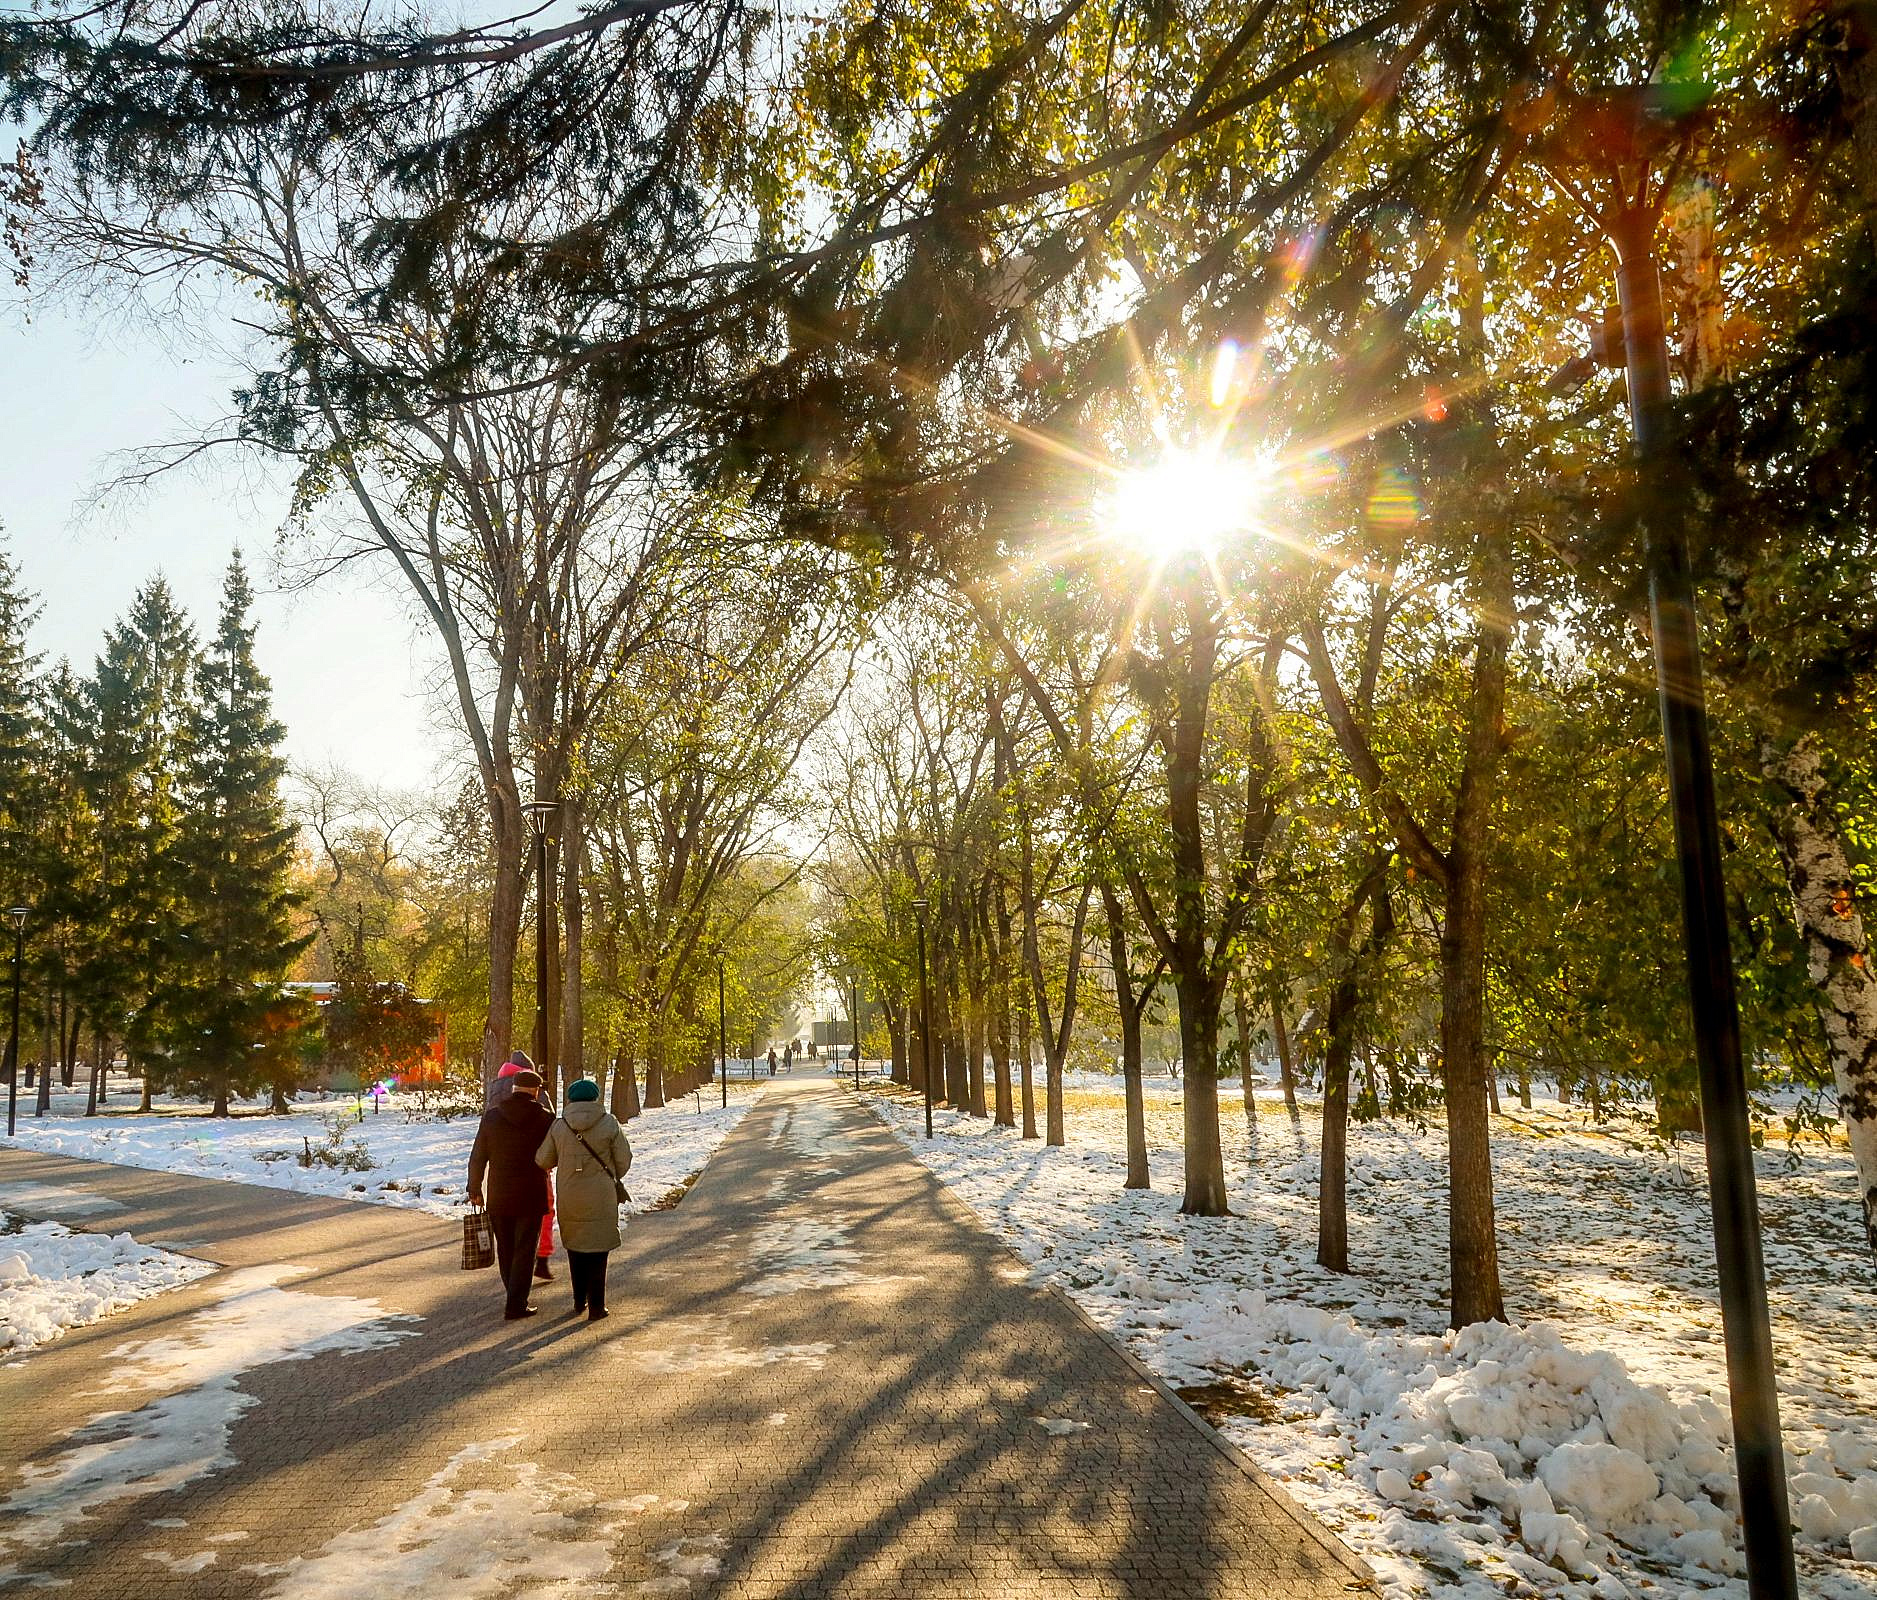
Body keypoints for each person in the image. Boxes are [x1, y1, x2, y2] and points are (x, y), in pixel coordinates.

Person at [535, 1077, 632, 1322]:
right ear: (595, 1098)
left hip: (570, 1195)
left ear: (571, 1099)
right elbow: (624, 1158)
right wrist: (610, 1175)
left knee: (576, 1249)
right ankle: (597, 1307)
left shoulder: (560, 1126)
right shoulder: (609, 1123)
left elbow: (544, 1159)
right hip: (601, 1195)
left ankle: (580, 1301)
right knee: (599, 1252)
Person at [468, 1067, 556, 1320]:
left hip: (499, 1193)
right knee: (525, 1250)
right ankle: (516, 1303)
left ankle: (513, 1295)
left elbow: (478, 1156)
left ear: (513, 1088)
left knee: (506, 1248)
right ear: (535, 1091)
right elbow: (552, 1156)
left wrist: (474, 1188)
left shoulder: (492, 1117)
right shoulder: (546, 1119)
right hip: (531, 1194)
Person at [495, 1053, 558, 1280]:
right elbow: (549, 1123)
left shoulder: (495, 1088)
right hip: (534, 1165)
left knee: (506, 1219)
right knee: (544, 1211)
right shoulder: (534, 1089)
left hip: (501, 1166)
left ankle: (511, 1275)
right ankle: (541, 1258)